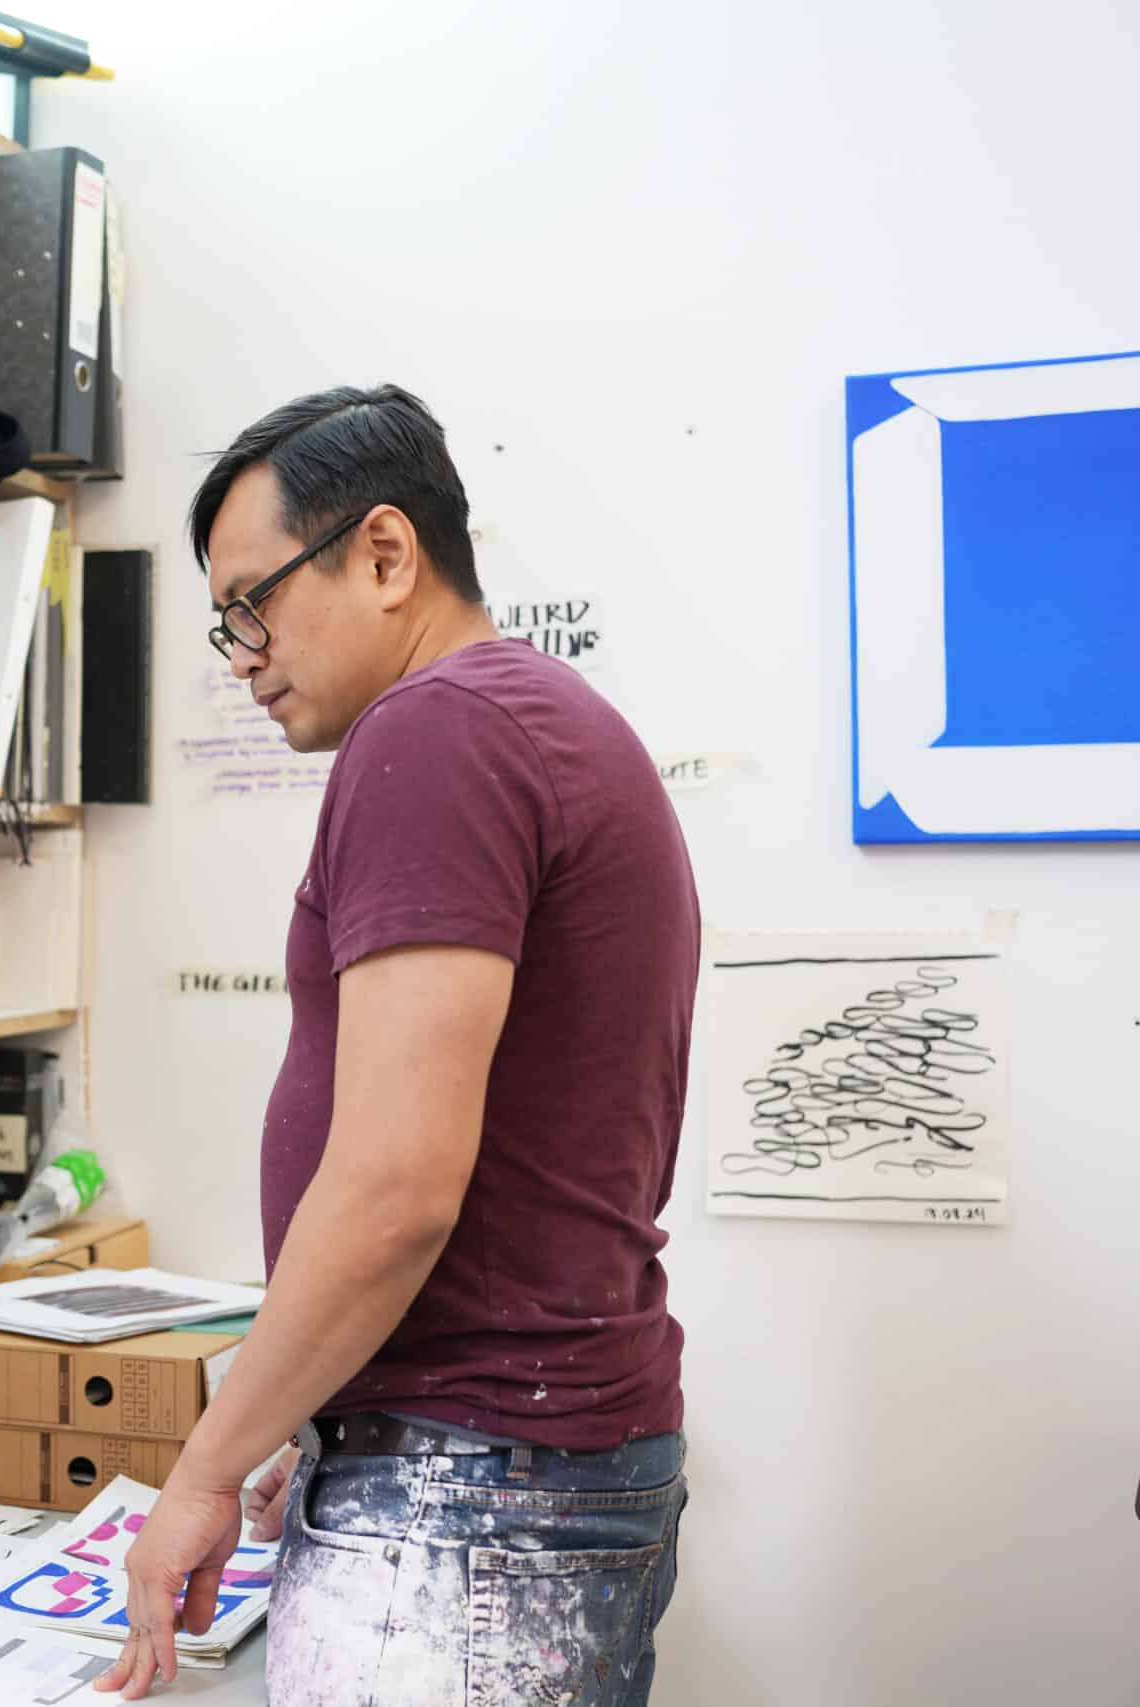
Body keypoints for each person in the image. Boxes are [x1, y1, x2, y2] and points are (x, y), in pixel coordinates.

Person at [96, 386, 699, 1704]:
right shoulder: (542, 720)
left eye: (252, 603)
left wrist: (202, 1467)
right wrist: (291, 1406)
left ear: (383, 555)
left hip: (469, 1485)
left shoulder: (439, 732)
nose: (239, 653)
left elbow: (391, 1192)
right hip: (513, 1462)